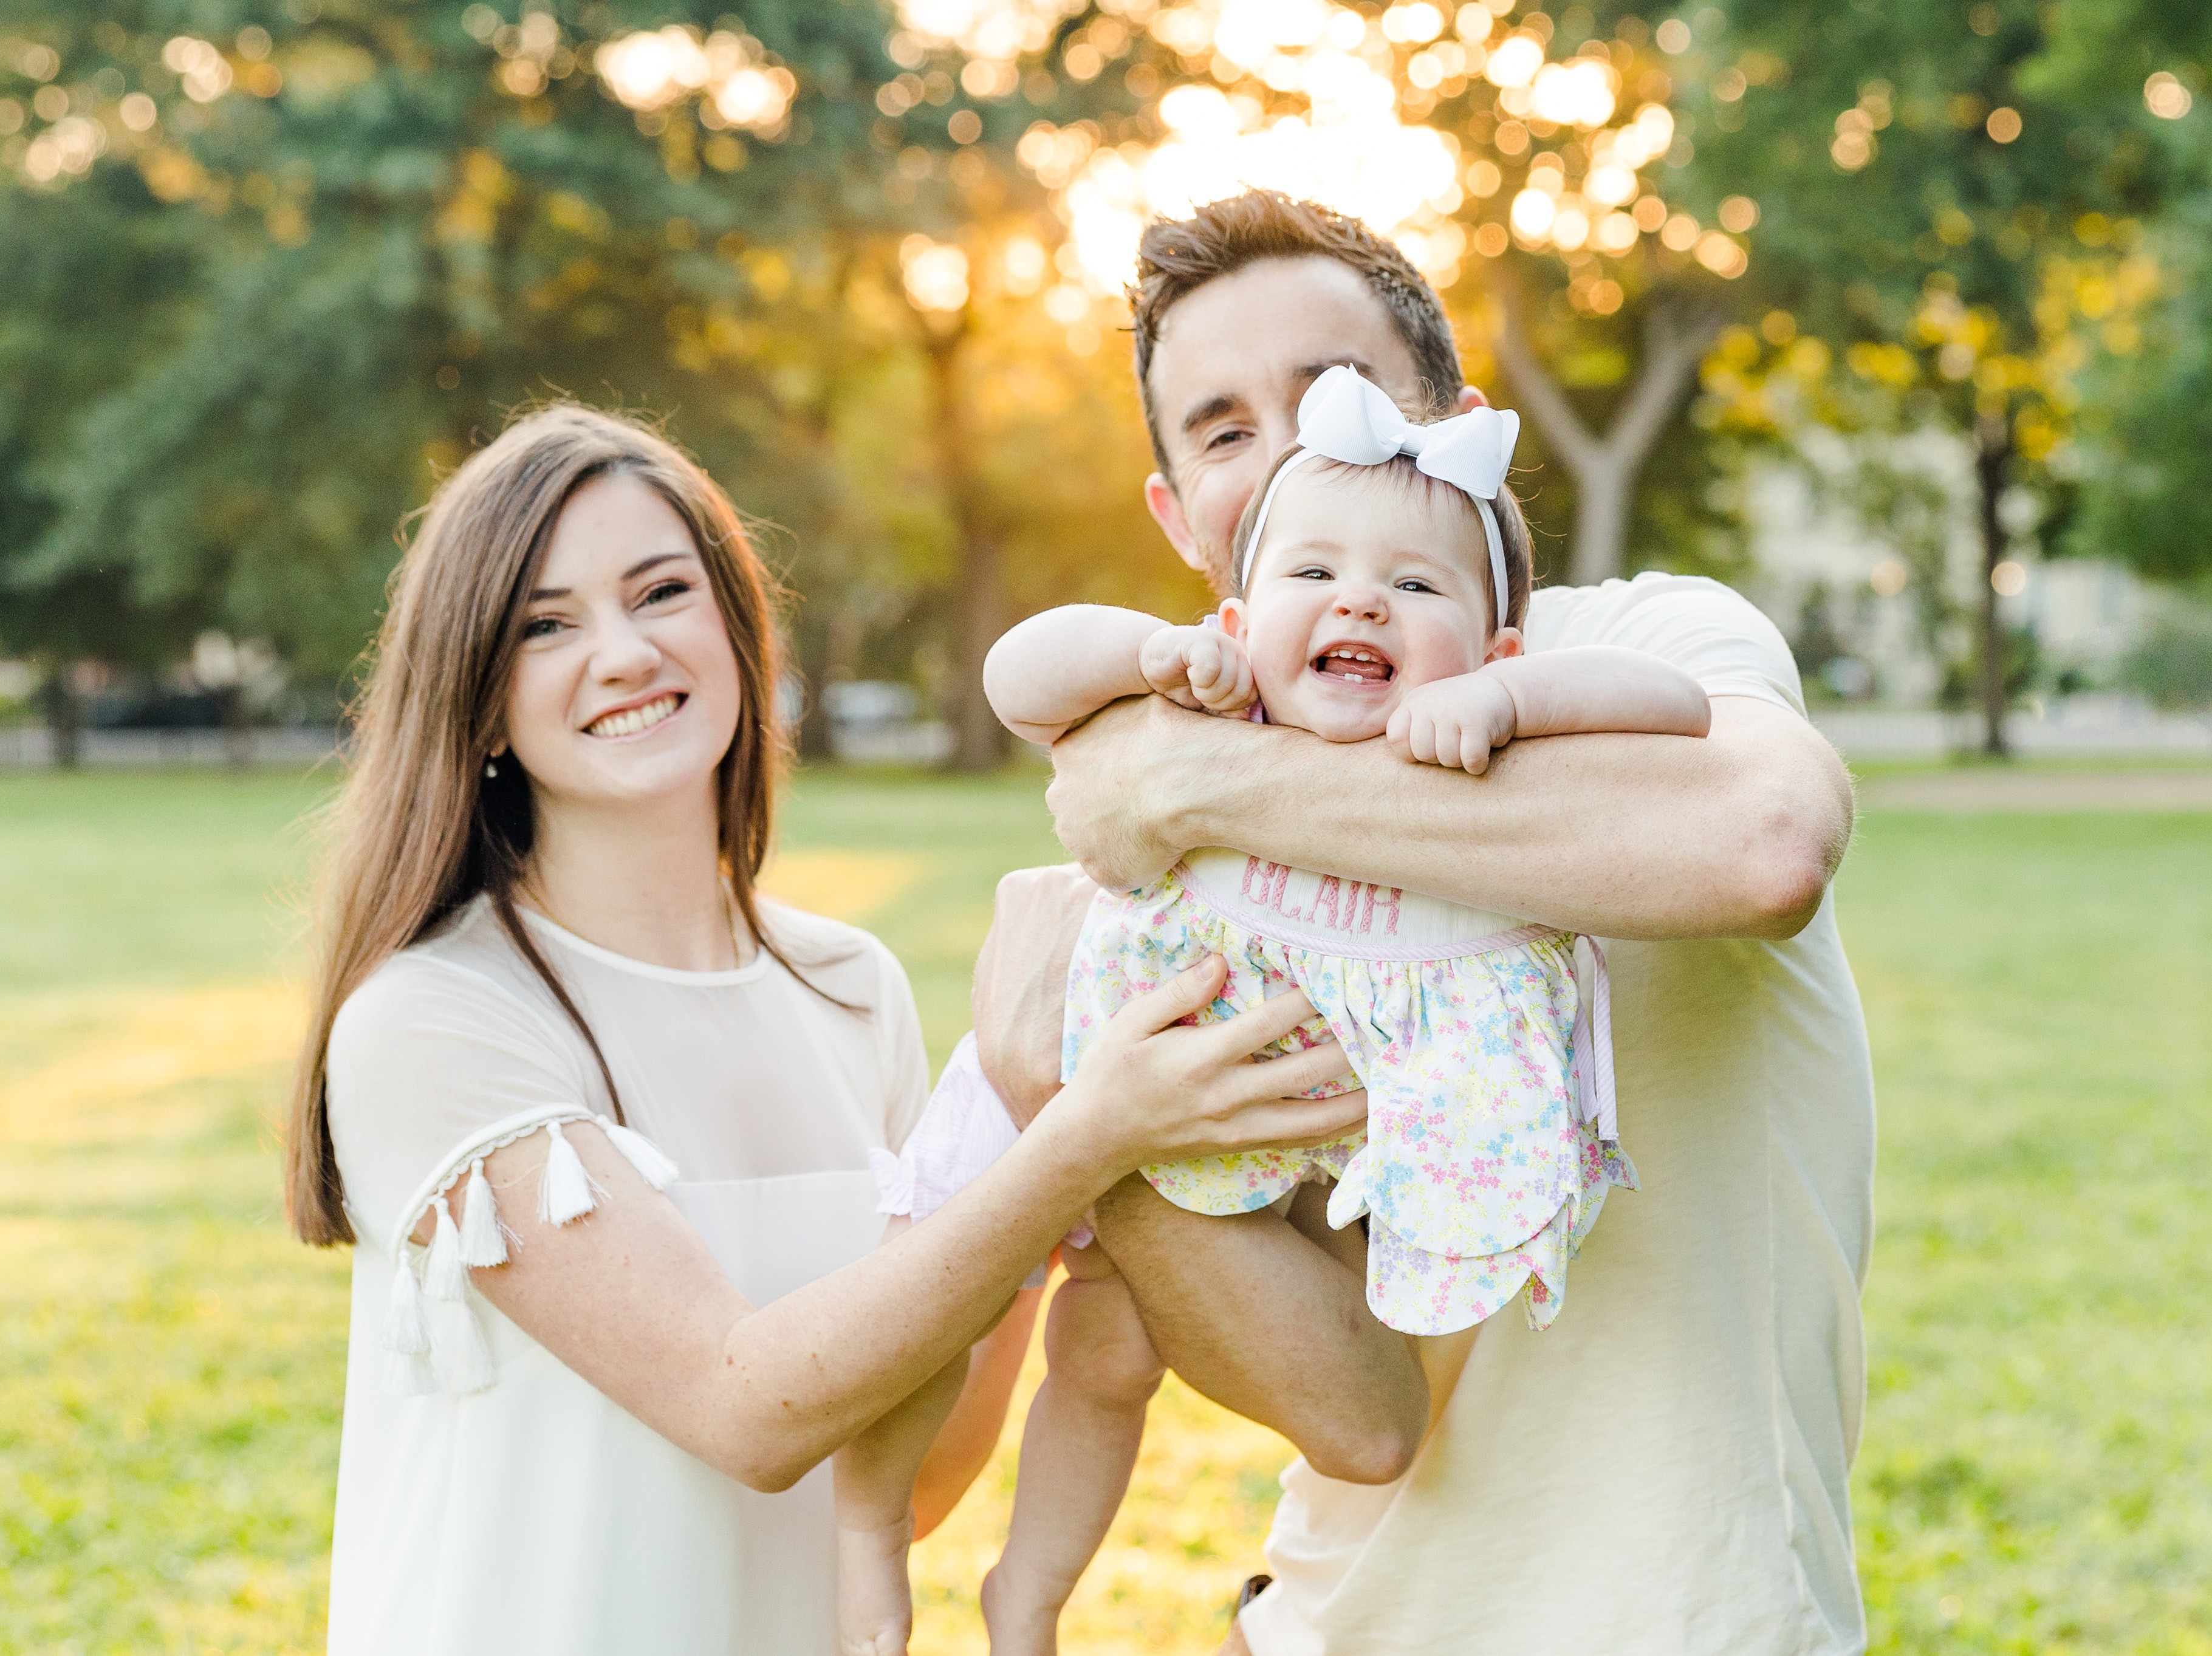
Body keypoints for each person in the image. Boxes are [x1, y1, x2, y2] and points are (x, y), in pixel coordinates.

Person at [282, 402, 1375, 1655]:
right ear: (476, 700)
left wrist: (1035, 1134)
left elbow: (904, 1481)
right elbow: (742, 1408)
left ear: (738, 629)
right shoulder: (433, 1017)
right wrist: (1075, 1136)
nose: (625, 652)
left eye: (660, 592)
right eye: (545, 625)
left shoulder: (847, 985)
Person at [970, 191, 1874, 1655]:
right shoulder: (1209, 851)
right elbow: (1349, 1407)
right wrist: (1079, 1095)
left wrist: (1195, 773)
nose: (1289, 454)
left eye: (1336, 398)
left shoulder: (1628, 644)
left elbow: (1764, 842)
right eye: (1219, 430)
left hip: (1680, 1617)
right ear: (1182, 521)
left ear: (1453, 427)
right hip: (1331, 1621)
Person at [875, 362, 1715, 1652]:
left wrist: (1505, 700)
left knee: (1321, 1334)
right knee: (1098, 1348)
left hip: (1351, 1150)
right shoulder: (1216, 699)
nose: (1360, 597)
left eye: (1417, 584)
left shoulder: (1472, 732)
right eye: (1311, 573)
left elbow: (1675, 711)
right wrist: (1148, 653)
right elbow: (1016, 673)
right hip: (1178, 1078)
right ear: (1237, 614)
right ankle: (1025, 1598)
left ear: (1492, 642)